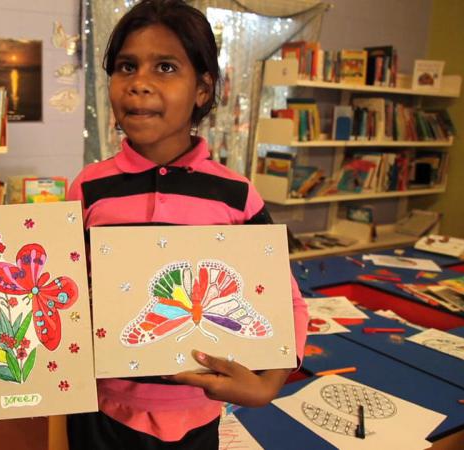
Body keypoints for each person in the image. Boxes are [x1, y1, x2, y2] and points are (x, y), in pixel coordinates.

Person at [63, 0, 308, 448]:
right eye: (126, 66)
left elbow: (286, 302)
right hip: (98, 413)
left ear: (202, 88)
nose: (139, 84)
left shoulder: (236, 196)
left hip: (196, 416)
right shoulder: (88, 189)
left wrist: (271, 380)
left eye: (166, 67)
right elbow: (59, 293)